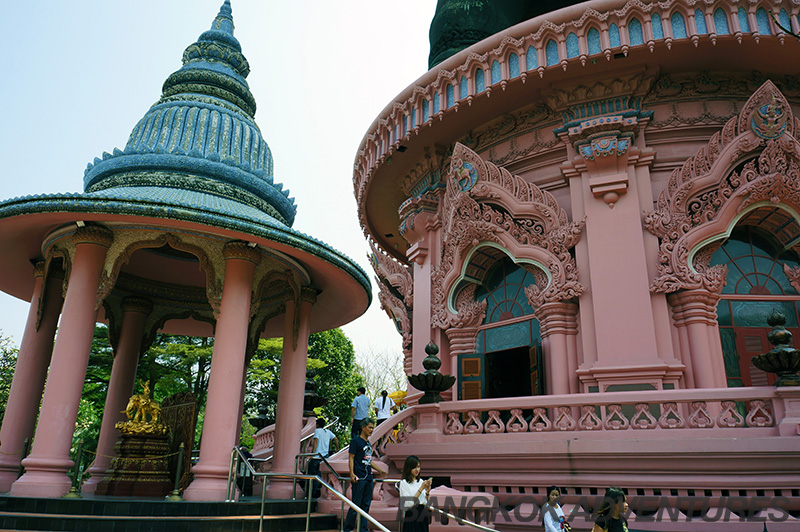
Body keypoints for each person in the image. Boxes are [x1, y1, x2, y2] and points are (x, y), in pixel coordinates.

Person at [344, 418, 386, 532]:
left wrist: (379, 470)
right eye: (370, 427)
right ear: (363, 427)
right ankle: (347, 528)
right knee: (355, 505)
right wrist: (351, 473)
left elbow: (369, 460)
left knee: (366, 505)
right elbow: (351, 458)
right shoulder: (355, 441)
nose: (372, 430)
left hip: (368, 477)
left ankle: (363, 529)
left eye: (373, 428)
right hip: (359, 477)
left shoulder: (368, 443)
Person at [398, 455, 432, 532]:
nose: (417, 470)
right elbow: (408, 503)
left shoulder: (420, 482)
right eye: (414, 467)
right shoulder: (404, 483)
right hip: (411, 515)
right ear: (409, 468)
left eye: (418, 467)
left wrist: (427, 492)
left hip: (422, 514)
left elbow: (425, 502)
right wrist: (421, 489)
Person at [307, 417, 338, 498]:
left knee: (311, 475)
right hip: (324, 457)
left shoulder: (317, 431)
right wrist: (337, 448)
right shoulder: (328, 432)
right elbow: (335, 439)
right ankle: (316, 493)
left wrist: (313, 453)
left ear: (317, 424)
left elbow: (316, 441)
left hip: (316, 457)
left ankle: (310, 494)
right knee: (319, 475)